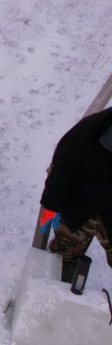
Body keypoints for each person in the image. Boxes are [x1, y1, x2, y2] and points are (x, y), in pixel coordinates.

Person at [39, 107, 112, 283]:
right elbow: (63, 165)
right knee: (63, 260)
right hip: (80, 205)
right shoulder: (89, 131)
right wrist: (50, 204)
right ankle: (54, 294)